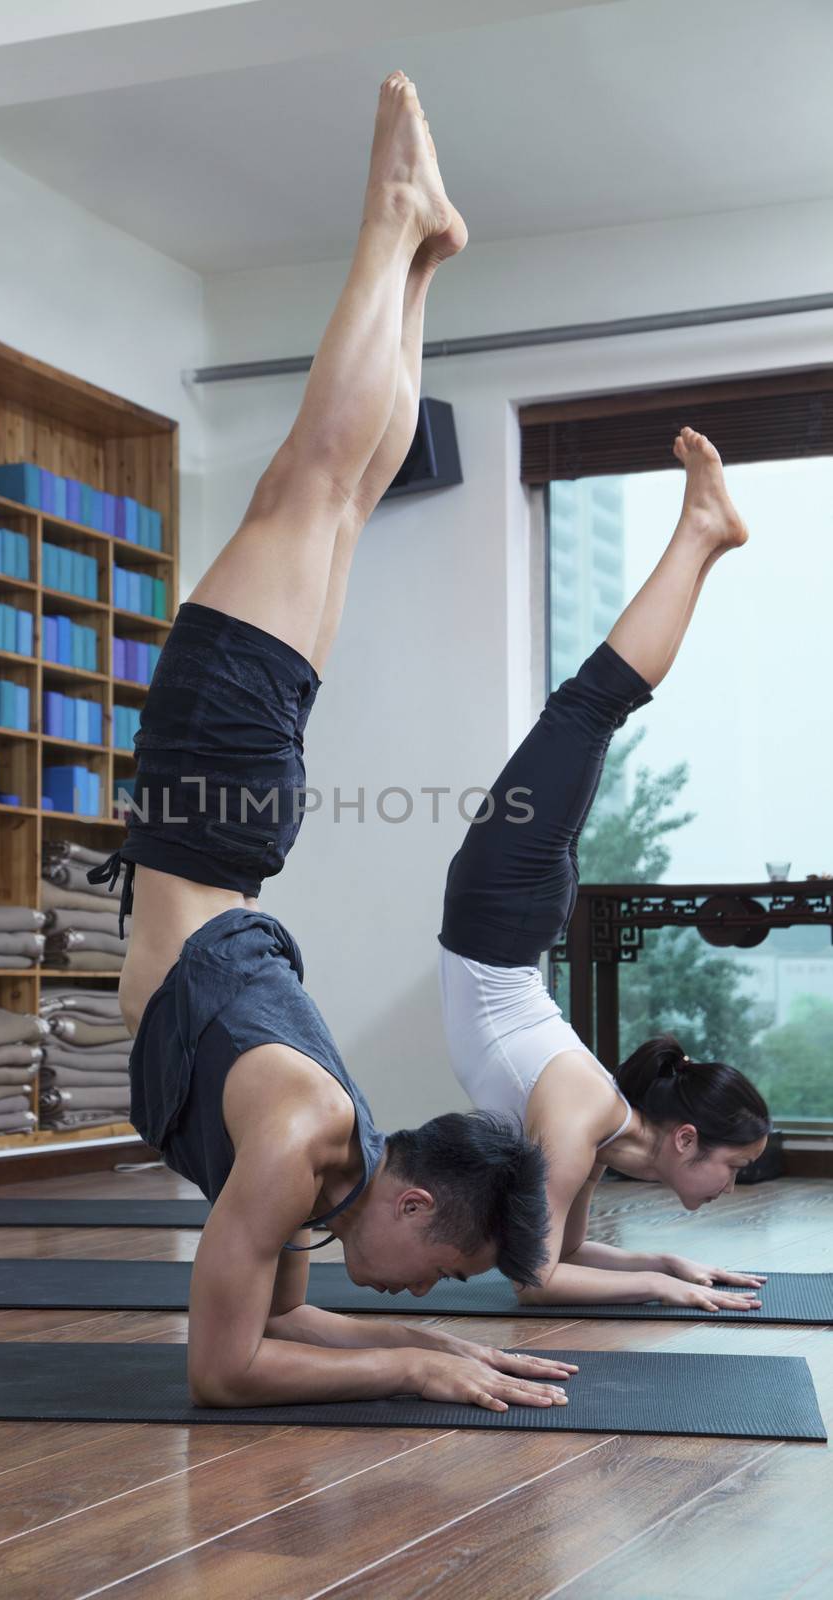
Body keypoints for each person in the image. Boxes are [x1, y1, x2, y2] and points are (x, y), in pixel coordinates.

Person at [90, 72, 576, 1413]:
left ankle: (418, 257)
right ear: (410, 1199)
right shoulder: (308, 1137)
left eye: (438, 1295)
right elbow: (223, 1370)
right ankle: (394, 225)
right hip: (210, 817)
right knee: (316, 483)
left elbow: (267, 1340)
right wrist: (418, 1361)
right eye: (441, 1275)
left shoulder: (325, 1152)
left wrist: (442, 1355)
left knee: (338, 501)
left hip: (229, 827)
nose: (419, 1291)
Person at [438, 427, 773, 1311]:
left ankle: (705, 532)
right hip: (498, 923)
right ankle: (702, 532)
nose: (730, 1188)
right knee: (588, 709)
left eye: (736, 1174)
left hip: (501, 921)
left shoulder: (588, 1132)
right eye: (734, 1169)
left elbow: (553, 1263)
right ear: (684, 1140)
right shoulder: (585, 1119)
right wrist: (667, 1293)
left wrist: (667, 1268)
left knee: (590, 710)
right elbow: (536, 1281)